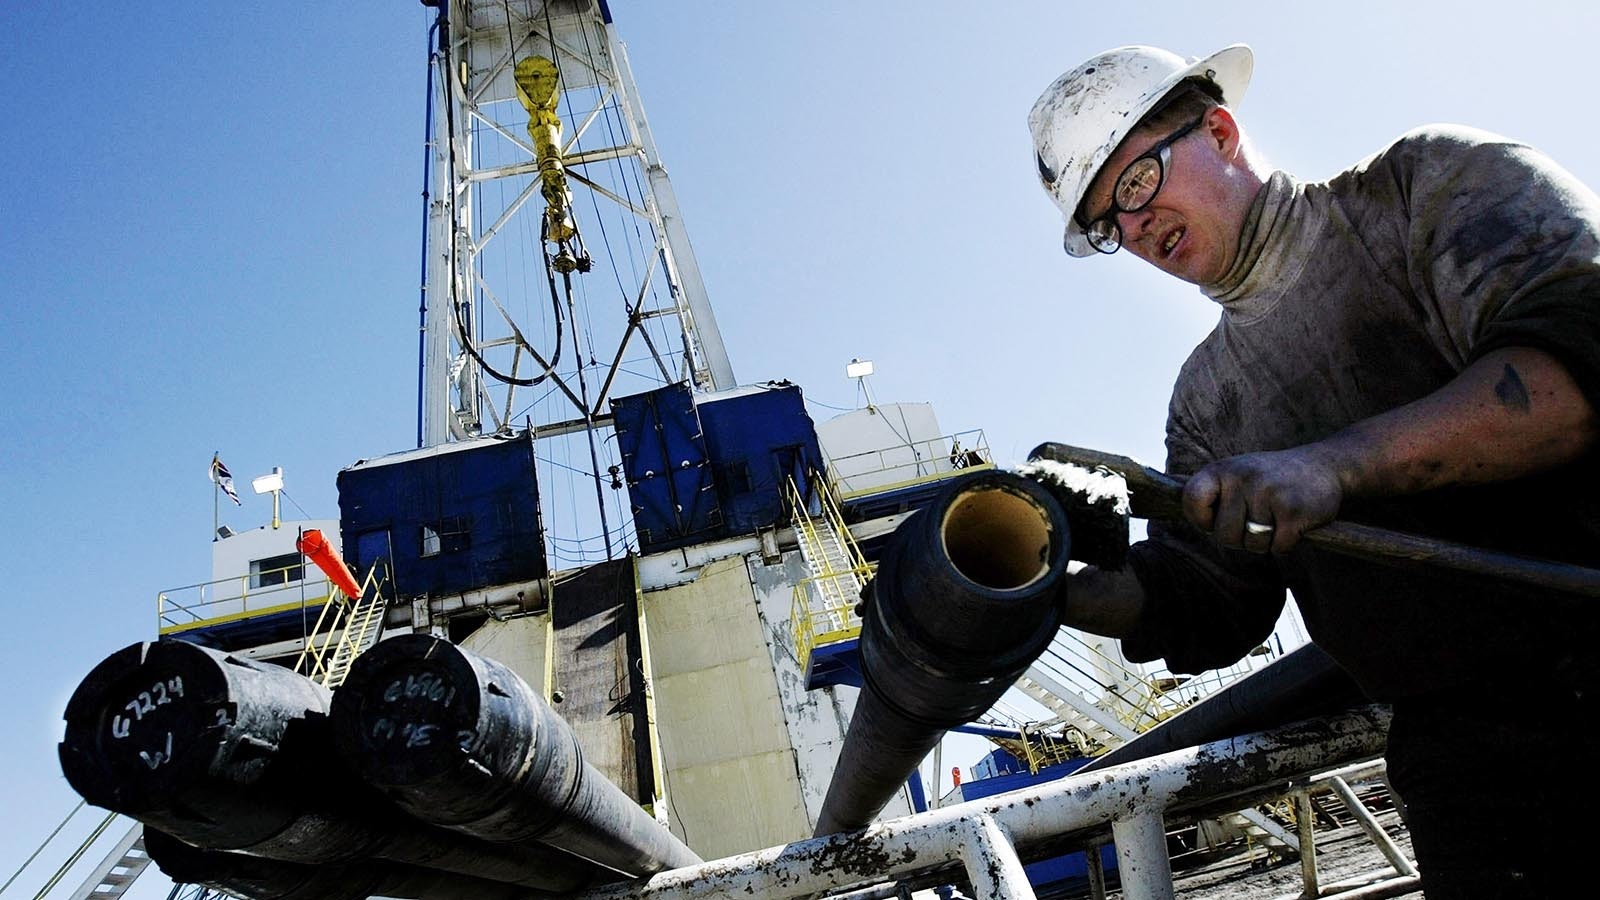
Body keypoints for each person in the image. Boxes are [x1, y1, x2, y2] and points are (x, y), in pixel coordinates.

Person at [1028, 44, 1600, 898]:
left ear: (1218, 131)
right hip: (1472, 776)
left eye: (1137, 185)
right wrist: (1041, 590)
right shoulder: (1207, 404)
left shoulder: (1423, 191)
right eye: (1111, 222)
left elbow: (1576, 367)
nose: (1136, 228)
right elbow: (1209, 602)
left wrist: (1332, 467)